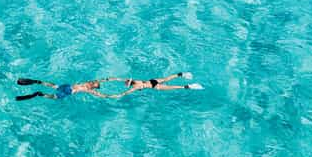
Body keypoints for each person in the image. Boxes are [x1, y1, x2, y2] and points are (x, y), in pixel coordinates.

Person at [15, 72, 202, 101]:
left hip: (68, 86)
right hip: (69, 92)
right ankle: (39, 93)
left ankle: (38, 84)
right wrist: (111, 97)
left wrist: (113, 83)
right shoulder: (91, 88)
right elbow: (109, 90)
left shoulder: (88, 84)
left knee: (54, 85)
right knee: (54, 97)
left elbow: (113, 80)